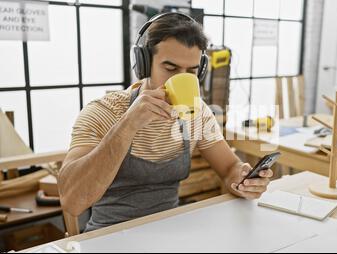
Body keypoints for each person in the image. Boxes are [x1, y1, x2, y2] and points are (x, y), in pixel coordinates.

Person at [58, 12, 274, 232]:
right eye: (170, 69)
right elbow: (72, 202)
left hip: (170, 231)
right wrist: (128, 124)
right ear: (143, 65)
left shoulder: (197, 113)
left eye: (191, 72)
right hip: (108, 235)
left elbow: (230, 169)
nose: (180, 79)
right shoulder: (104, 111)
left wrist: (244, 180)